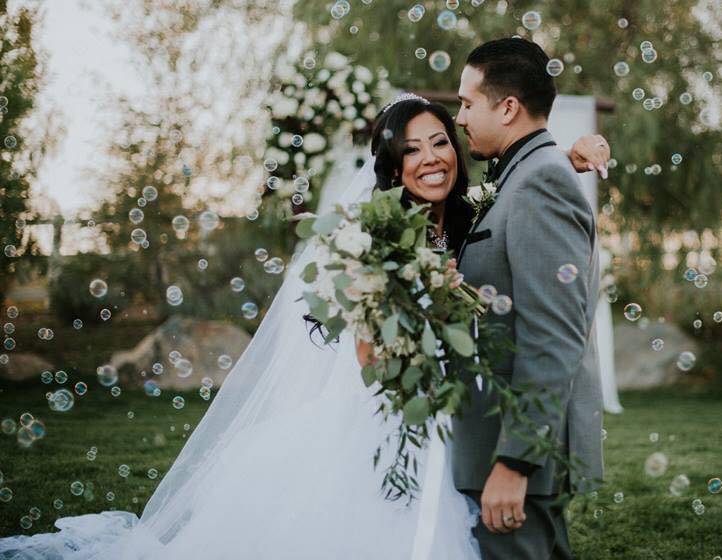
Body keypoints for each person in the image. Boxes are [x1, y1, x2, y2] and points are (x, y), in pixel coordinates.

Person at [0, 88, 609, 559]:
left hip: (466, 422)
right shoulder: (371, 237)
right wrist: (426, 313)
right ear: (392, 169)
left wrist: (575, 153)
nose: (431, 159)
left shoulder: (472, 211)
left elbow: (524, 183)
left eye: (440, 141)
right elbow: (372, 367)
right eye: (412, 151)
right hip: (395, 422)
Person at [451, 38, 604, 559]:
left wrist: (515, 462)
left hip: (514, 453)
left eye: (468, 103)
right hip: (495, 441)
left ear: (508, 107)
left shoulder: (540, 183)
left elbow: (554, 335)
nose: (460, 117)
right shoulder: (524, 173)